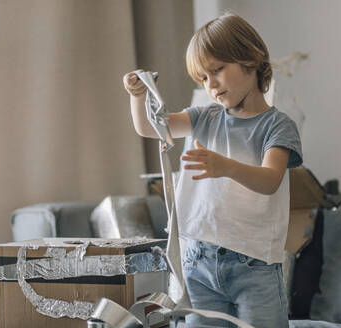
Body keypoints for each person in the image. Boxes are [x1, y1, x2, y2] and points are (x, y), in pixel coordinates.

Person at [123, 12, 302, 328]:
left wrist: (226, 167)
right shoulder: (203, 117)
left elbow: (270, 179)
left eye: (217, 70)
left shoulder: (277, 126)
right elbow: (150, 129)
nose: (211, 85)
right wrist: (138, 97)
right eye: (203, 79)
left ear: (251, 58)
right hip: (198, 262)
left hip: (255, 266)